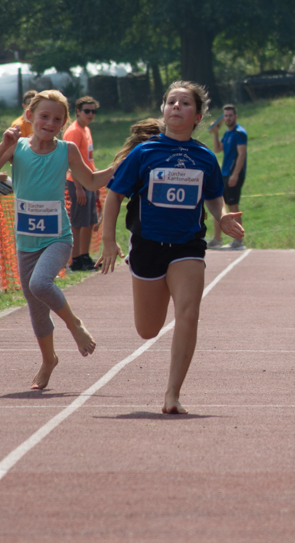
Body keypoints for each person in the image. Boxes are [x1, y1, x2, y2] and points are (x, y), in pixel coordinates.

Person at [99, 82, 244, 414]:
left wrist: (222, 217)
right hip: (148, 245)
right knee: (148, 330)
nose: (177, 106)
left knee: (188, 313)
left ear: (198, 116)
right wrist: (108, 239)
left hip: (187, 245)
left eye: (185, 103)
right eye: (171, 102)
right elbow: (114, 194)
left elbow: (214, 198)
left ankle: (172, 394)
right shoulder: (144, 153)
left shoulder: (205, 157)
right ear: (163, 111)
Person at [0, 91, 115, 390]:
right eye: (44, 116)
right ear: (30, 116)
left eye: (57, 119)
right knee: (36, 307)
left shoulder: (66, 150)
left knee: (40, 284)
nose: (50, 123)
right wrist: (4, 144)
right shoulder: (17, 148)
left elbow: (91, 181)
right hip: (26, 242)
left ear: (64, 123)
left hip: (57, 238)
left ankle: (75, 325)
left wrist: (118, 168)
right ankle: (49, 360)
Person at [64, 96, 101, 271]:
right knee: (78, 222)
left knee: (89, 221)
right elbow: (70, 161)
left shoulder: (86, 129)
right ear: (78, 111)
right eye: (87, 111)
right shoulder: (74, 131)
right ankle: (75, 259)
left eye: (93, 111)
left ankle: (85, 256)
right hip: (77, 182)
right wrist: (78, 187)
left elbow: (88, 159)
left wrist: (95, 184)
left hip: (88, 181)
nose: (90, 114)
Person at [208, 104, 248, 250]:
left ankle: (238, 241)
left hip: (233, 174)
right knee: (220, 207)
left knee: (233, 206)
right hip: (224, 174)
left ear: (235, 116)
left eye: (230, 115)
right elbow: (218, 149)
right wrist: (215, 133)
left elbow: (242, 154)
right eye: (226, 116)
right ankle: (217, 239)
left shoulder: (239, 133)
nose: (228, 118)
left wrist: (235, 175)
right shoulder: (227, 133)